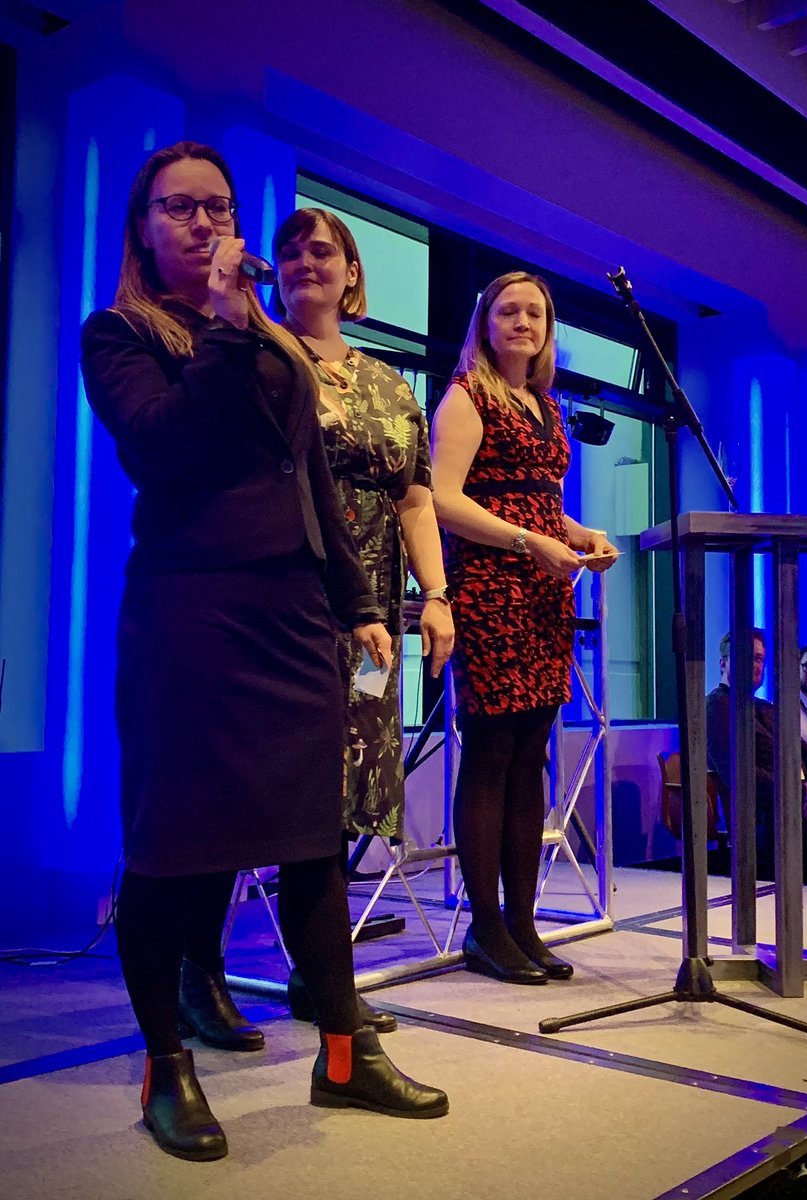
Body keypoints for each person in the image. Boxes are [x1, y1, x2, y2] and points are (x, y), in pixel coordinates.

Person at [80, 142, 448, 1162]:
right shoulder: (120, 334)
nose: (203, 225)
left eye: (218, 208)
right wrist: (229, 338)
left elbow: (310, 482)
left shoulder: (271, 340)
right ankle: (167, 1061)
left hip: (292, 619)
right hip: (190, 617)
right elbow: (162, 449)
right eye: (179, 210)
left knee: (311, 842)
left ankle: (344, 1051)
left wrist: (356, 600)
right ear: (144, 228)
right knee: (175, 848)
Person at [271, 206, 454, 1029]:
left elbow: (416, 499)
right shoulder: (264, 359)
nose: (307, 260)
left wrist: (437, 594)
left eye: (324, 250)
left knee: (354, 779)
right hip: (289, 599)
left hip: (374, 619)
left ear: (351, 274)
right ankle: (276, 976)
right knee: (287, 779)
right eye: (292, 251)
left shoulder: (387, 383)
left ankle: (320, 975)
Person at [430, 270, 618, 985]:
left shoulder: (545, 404)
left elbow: (542, 505)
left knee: (530, 756)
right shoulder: (466, 395)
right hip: (490, 589)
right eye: (508, 310)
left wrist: (581, 533)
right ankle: (485, 928)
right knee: (490, 754)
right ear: (485, 323)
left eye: (534, 312)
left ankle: (523, 923)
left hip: (543, 595)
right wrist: (529, 543)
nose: (522, 321)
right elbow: (444, 500)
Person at [706, 630, 807, 883]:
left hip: (796, 806)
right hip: (763, 815)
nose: (755, 664)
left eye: (759, 659)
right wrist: (802, 792)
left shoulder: (765, 707)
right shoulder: (717, 708)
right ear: (724, 663)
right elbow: (739, 774)